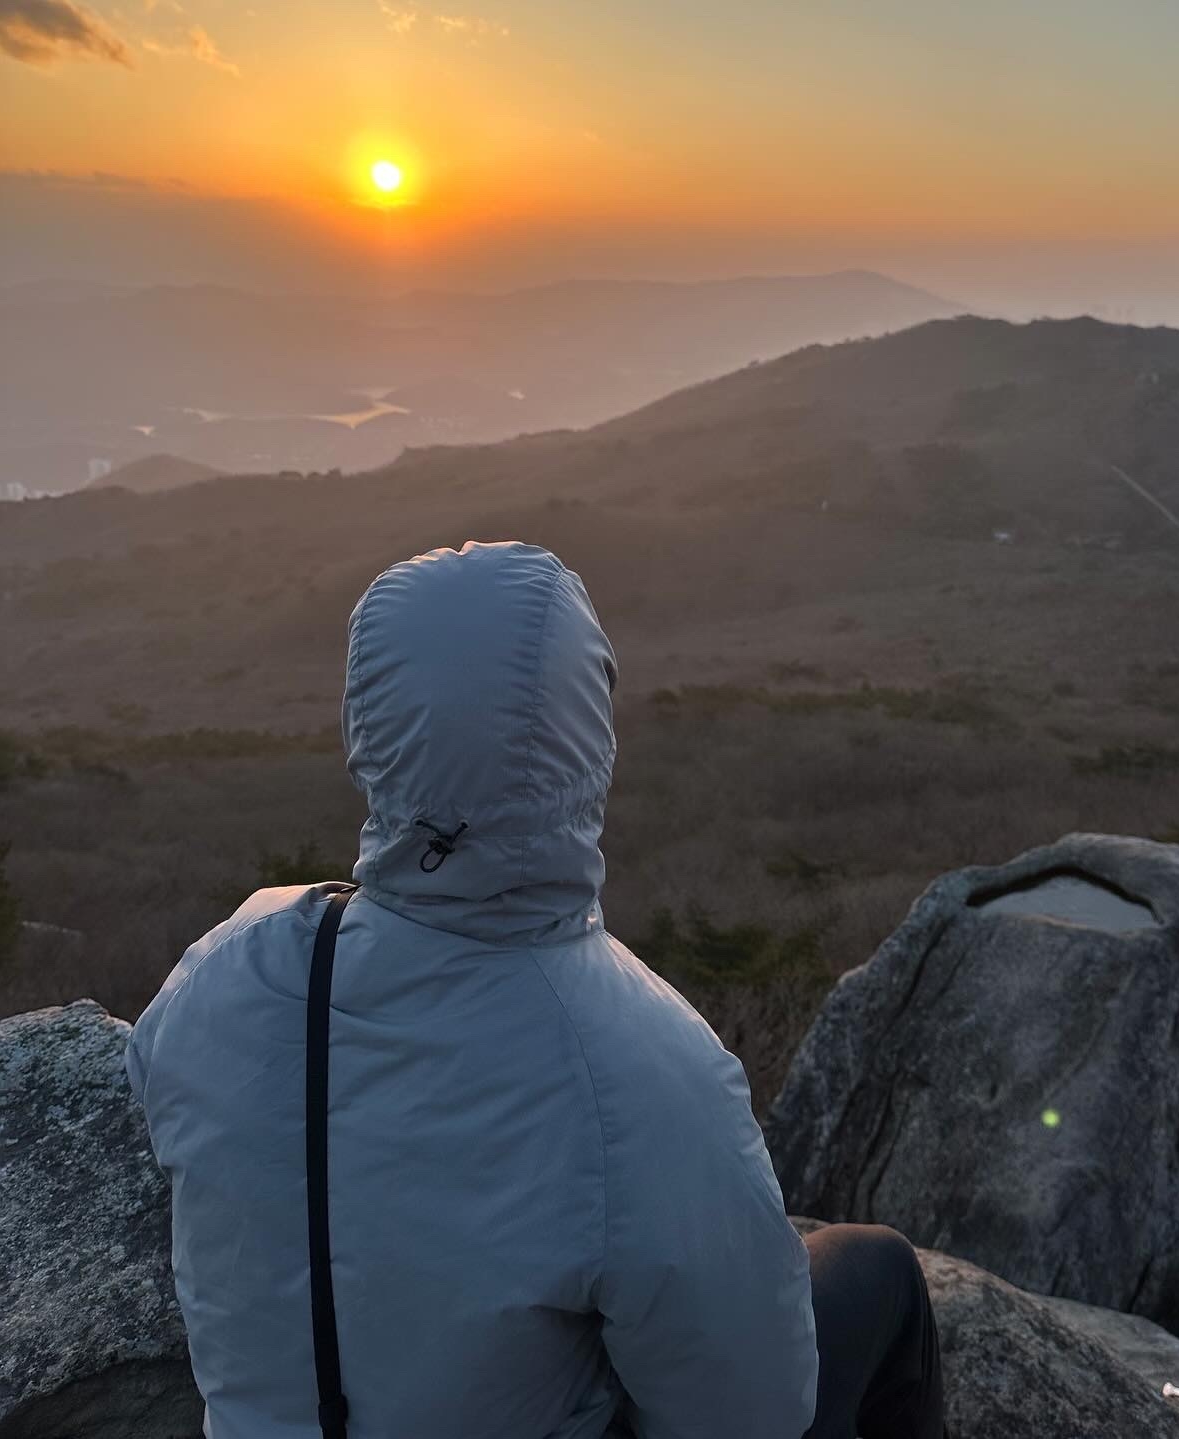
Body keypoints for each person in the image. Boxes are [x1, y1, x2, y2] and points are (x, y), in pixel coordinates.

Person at [127, 541, 945, 1439]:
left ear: (368, 728)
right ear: (588, 731)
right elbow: (752, 1412)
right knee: (881, 1272)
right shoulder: (643, 1067)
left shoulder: (224, 971)